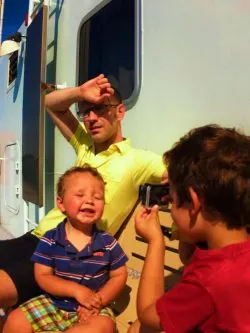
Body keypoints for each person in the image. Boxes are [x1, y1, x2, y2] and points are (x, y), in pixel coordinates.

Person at [0, 74, 166, 329]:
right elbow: (50, 103)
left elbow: (182, 173)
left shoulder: (138, 161)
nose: (90, 117)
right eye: (86, 111)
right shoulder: (84, 145)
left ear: (120, 112)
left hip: (61, 257)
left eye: (100, 109)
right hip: (39, 236)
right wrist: (81, 93)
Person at [129, 124, 250, 333]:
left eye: (173, 198)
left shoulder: (208, 281)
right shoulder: (234, 251)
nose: (171, 205)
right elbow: (189, 259)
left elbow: (149, 316)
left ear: (193, 203)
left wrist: (155, 241)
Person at [3, 165, 128, 333]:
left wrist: (99, 300)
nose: (90, 200)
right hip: (52, 303)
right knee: (15, 321)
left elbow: (119, 275)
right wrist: (76, 290)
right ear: (60, 203)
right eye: (80, 194)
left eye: (97, 197)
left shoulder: (107, 243)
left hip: (92, 309)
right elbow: (43, 275)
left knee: (103, 327)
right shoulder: (50, 239)